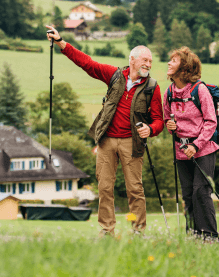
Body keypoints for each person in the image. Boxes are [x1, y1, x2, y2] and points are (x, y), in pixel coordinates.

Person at [46, 25, 164, 236]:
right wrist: (62, 43)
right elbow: (87, 63)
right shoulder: (114, 76)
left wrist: (151, 129)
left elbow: (159, 120)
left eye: (150, 62)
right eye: (145, 60)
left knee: (135, 190)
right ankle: (107, 231)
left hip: (132, 142)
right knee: (104, 188)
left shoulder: (152, 88)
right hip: (107, 140)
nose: (148, 64)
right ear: (132, 60)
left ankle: (138, 232)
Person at [164, 46, 219, 241]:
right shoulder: (169, 92)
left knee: (201, 191)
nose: (169, 63)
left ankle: (209, 236)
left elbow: (211, 122)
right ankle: (193, 235)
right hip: (181, 151)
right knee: (188, 194)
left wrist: (195, 145)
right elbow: (167, 120)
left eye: (174, 60)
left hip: (203, 149)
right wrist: (169, 125)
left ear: (185, 68)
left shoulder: (200, 90)